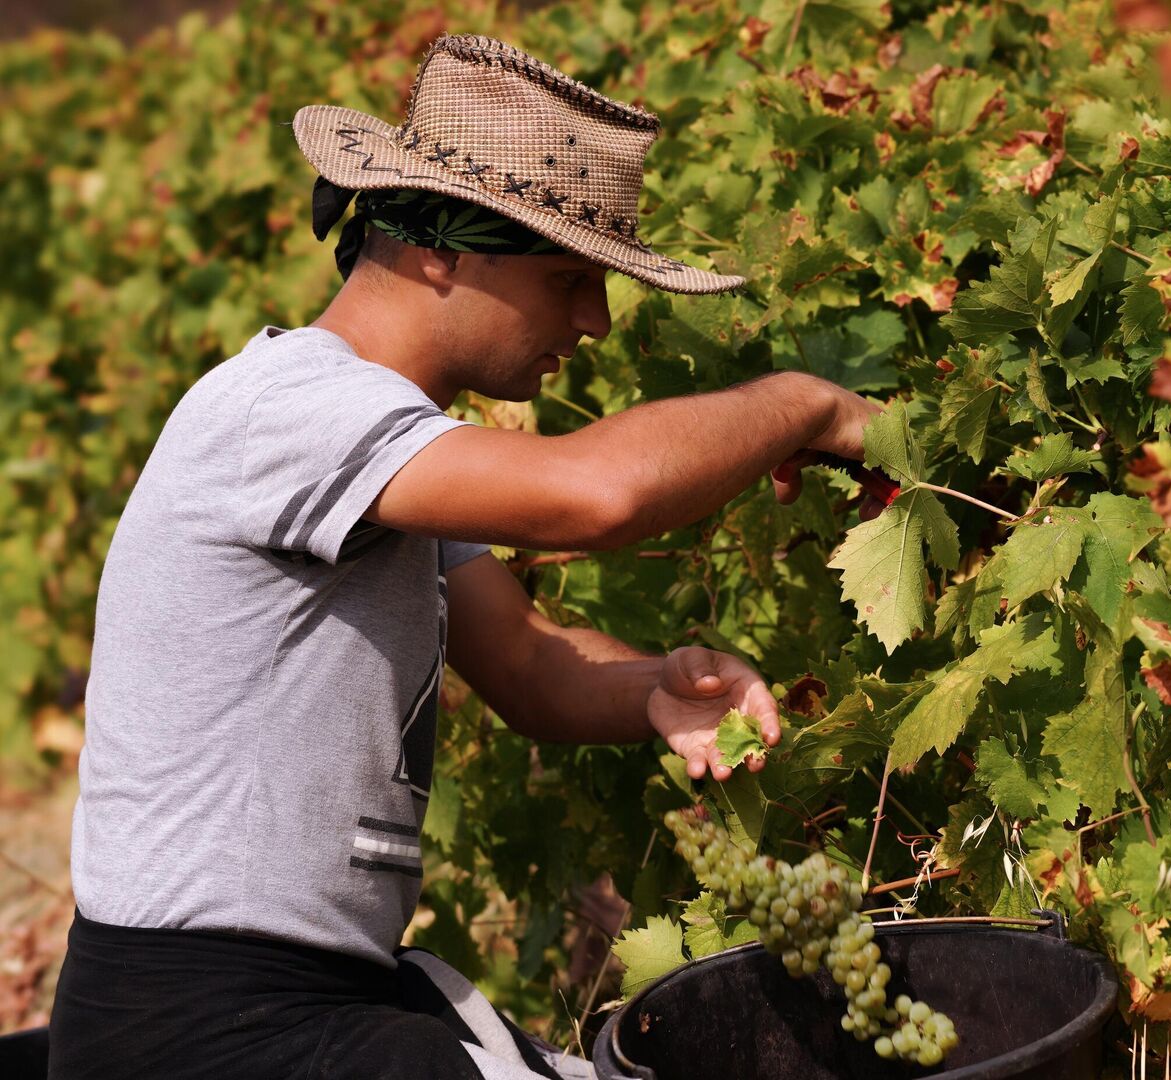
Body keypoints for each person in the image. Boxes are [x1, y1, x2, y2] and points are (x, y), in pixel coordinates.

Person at [48, 32, 879, 1080]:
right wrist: (804, 402)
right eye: (568, 278)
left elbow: (526, 662)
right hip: (204, 1033)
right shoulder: (293, 409)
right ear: (440, 247)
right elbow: (597, 494)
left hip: (303, 1010)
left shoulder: (388, 459)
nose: (597, 321)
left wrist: (655, 692)